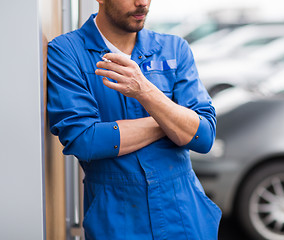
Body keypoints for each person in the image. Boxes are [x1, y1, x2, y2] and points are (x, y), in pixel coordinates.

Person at [47, 0, 222, 239]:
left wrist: (144, 91)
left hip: (184, 215)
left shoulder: (173, 49)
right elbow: (85, 139)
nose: (142, 3)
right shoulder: (67, 52)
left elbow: (203, 137)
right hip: (117, 218)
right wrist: (170, 120)